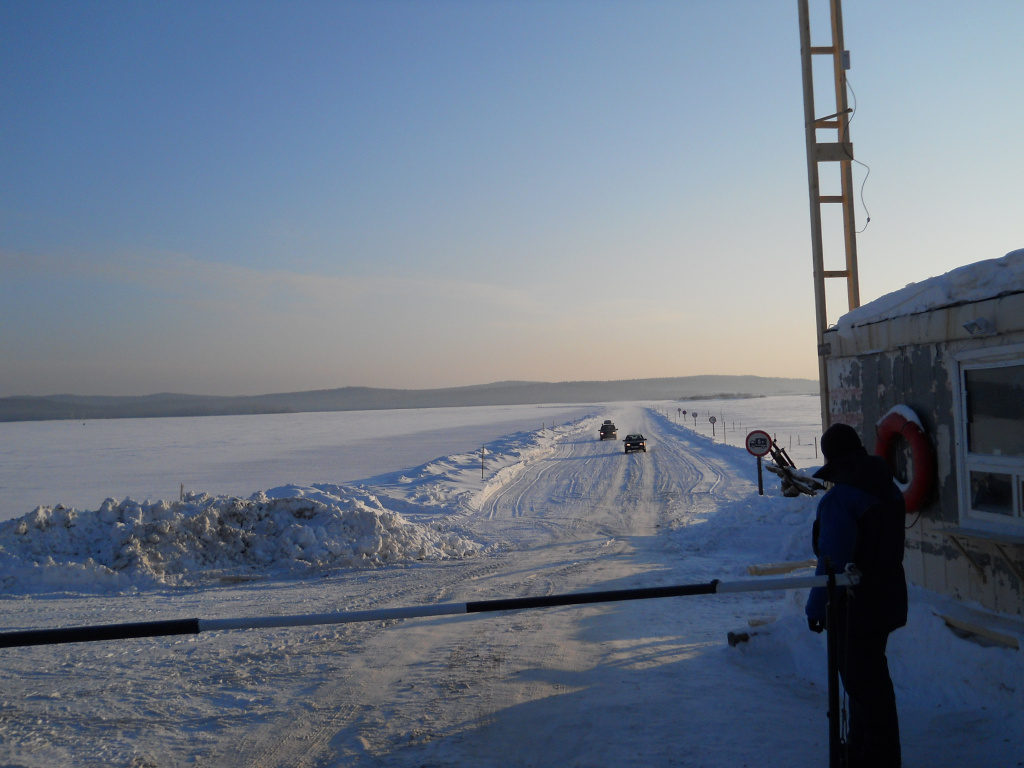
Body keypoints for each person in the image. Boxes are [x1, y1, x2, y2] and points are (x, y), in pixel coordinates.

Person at [805, 422, 908, 768]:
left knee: (863, 689)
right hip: (887, 597)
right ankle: (867, 753)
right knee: (872, 684)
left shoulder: (842, 499)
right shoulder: (887, 489)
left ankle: (873, 759)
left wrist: (816, 607)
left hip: (853, 606)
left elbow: (832, 560)